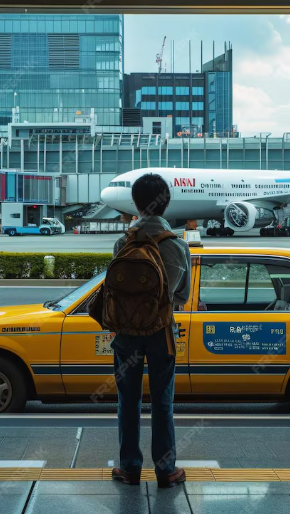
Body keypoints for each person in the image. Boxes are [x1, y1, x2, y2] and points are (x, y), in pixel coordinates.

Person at [110, 173, 190, 488]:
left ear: (136, 203)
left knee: (127, 402)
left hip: (127, 333)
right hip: (161, 332)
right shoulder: (177, 245)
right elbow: (182, 296)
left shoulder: (123, 242)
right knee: (162, 402)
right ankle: (166, 470)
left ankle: (130, 468)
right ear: (166, 204)